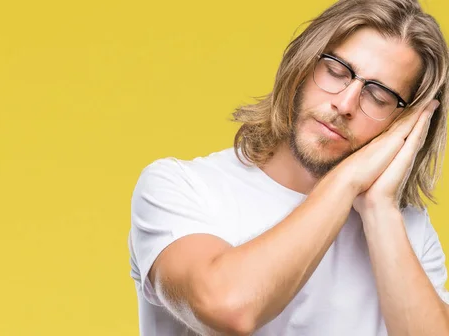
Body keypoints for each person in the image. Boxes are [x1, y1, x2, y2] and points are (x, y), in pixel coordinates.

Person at [128, 0, 449, 335]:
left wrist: (380, 209)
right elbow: (229, 307)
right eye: (336, 70)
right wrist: (348, 181)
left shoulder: (408, 230)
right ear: (302, 65)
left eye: (379, 97)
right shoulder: (180, 186)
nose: (345, 103)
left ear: (405, 125)